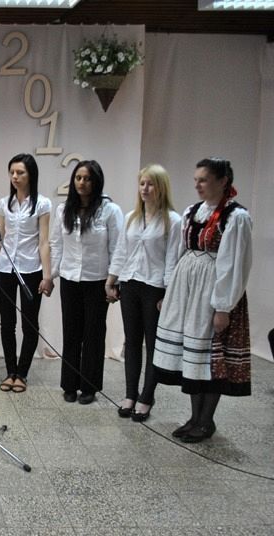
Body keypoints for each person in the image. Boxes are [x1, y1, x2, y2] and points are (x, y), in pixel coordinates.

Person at [153, 158, 252, 443]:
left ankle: (206, 420)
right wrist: (170, 292)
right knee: (192, 359)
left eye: (204, 180)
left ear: (223, 181)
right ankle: (194, 417)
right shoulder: (192, 211)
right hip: (187, 290)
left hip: (212, 291)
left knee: (210, 358)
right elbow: (179, 252)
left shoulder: (236, 217)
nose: (197, 185)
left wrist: (223, 307)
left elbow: (234, 264)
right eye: (196, 179)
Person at [107, 164, 181, 421]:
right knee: (131, 342)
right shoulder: (132, 217)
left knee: (153, 344)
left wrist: (168, 293)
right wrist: (111, 279)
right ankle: (130, 394)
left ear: (161, 188)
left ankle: (147, 396)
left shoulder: (173, 220)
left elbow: (173, 259)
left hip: (154, 287)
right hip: (130, 283)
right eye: (142, 184)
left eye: (151, 184)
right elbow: (121, 251)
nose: (145, 189)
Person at [50, 160, 123, 404]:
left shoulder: (109, 210)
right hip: (70, 279)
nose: (82, 183)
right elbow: (56, 244)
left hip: (97, 280)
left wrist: (113, 281)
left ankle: (89, 386)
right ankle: (69, 384)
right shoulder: (64, 209)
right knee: (71, 332)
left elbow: (117, 248)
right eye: (78, 178)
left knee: (93, 333)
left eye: (88, 178)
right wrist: (51, 276)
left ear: (96, 182)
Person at [0, 154, 53, 394]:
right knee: (7, 323)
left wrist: (47, 276)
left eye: (20, 172)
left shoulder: (42, 204)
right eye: (12, 172)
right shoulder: (3, 203)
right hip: (4, 268)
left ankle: (23, 373)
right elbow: (0, 236)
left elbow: (44, 241)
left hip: (31, 269)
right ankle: (10, 371)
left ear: (31, 175)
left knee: (29, 323)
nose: (15, 177)